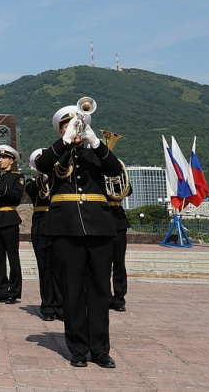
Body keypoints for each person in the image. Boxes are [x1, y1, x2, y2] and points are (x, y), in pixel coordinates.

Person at [35, 104, 124, 369]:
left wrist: (95, 142)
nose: (73, 128)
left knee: (99, 290)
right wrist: (64, 142)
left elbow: (115, 170)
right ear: (60, 130)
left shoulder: (95, 153)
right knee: (72, 290)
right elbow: (41, 164)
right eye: (67, 125)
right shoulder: (55, 154)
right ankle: (78, 348)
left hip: (99, 227)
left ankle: (100, 349)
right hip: (66, 228)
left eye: (77, 124)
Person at [25, 148, 63, 321]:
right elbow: (32, 189)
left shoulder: (61, 180)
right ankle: (47, 307)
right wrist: (46, 175)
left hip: (60, 225)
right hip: (41, 225)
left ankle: (61, 306)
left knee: (60, 269)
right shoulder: (32, 182)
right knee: (45, 269)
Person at [0, 144, 24, 305]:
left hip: (9, 219)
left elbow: (16, 197)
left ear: (11, 161)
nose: (0, 160)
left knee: (13, 257)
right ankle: (1, 290)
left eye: (3, 157)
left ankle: (14, 292)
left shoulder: (17, 177)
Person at [108, 179, 132, 312]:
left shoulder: (117, 174)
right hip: (100, 219)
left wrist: (117, 183)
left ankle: (119, 299)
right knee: (101, 264)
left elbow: (128, 190)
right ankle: (105, 297)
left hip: (118, 221)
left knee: (119, 263)